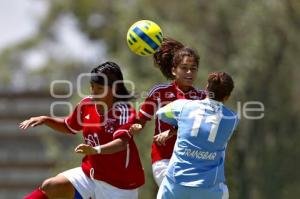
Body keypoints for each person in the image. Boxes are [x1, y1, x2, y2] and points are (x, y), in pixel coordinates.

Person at [19, 61, 145, 199]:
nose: (94, 92)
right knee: (52, 185)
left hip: (120, 185)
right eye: (92, 87)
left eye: (99, 88)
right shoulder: (87, 104)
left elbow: (121, 143)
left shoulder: (123, 111)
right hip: (90, 175)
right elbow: (69, 126)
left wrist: (95, 150)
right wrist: (46, 120)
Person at [131, 37, 205, 186]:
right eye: (184, 68)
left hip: (193, 160)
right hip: (164, 159)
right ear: (173, 70)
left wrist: (171, 132)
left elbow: (198, 126)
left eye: (193, 68)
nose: (189, 72)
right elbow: (141, 120)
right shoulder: (159, 93)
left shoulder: (202, 98)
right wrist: (136, 126)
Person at [155, 72, 239, 199]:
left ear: (206, 88)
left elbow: (161, 113)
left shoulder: (183, 106)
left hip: (175, 186)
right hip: (209, 190)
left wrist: (174, 129)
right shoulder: (232, 119)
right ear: (227, 97)